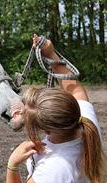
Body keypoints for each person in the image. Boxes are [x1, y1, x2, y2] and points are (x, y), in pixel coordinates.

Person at [6, 34, 106, 183]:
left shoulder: (51, 170)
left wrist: (12, 165)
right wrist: (50, 53)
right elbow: (76, 90)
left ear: (46, 131)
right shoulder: (85, 121)